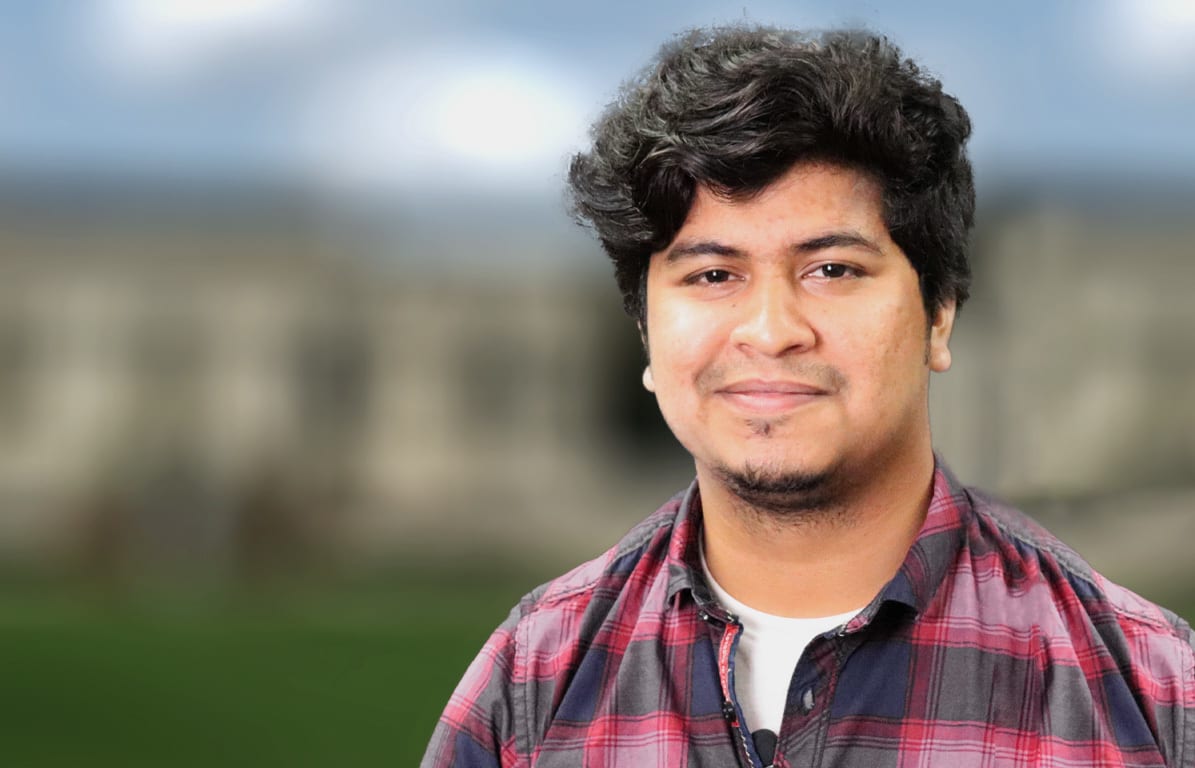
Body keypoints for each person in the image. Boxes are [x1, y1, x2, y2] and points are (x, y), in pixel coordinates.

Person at [422, 25, 1195, 768]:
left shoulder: (1155, 694)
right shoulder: (531, 682)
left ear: (937, 314)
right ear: (645, 332)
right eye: (712, 275)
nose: (770, 330)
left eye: (831, 270)